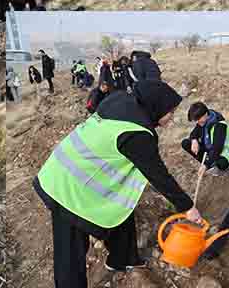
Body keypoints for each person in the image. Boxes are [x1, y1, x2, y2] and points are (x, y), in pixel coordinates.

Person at [36, 80, 202, 288]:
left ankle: (123, 258)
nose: (171, 117)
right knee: (70, 251)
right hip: (66, 187)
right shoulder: (138, 133)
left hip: (72, 168)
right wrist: (187, 206)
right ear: (156, 106)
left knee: (120, 211)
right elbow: (159, 176)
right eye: (170, 112)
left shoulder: (120, 100)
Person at [183, 102, 229, 176]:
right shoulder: (203, 120)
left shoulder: (219, 126)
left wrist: (205, 165)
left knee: (222, 163)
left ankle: (214, 167)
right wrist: (194, 140)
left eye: (198, 119)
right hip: (210, 149)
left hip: (225, 152)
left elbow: (217, 149)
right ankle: (210, 165)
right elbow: (195, 132)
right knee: (186, 143)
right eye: (196, 120)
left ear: (205, 114)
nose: (197, 122)